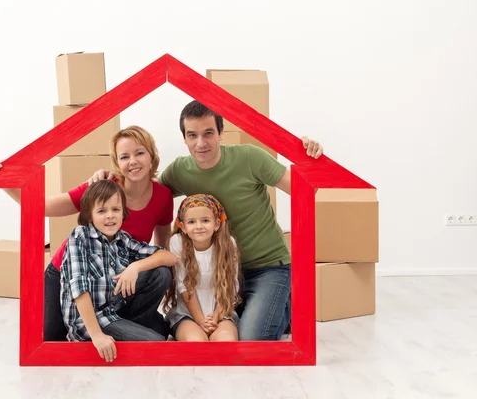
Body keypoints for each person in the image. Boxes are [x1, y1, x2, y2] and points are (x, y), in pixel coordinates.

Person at [87, 101, 324, 341]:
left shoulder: (251, 157)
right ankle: (262, 307)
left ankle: (284, 304)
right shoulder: (180, 170)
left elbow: (305, 190)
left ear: (221, 133)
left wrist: (308, 158)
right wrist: (110, 178)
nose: (201, 143)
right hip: (217, 274)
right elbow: (144, 188)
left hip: (267, 266)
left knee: (252, 340)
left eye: (208, 133)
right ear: (185, 139)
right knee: (219, 328)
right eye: (193, 135)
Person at [0, 125, 175, 341]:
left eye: (140, 153)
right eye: (124, 156)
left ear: (152, 156)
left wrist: (137, 267)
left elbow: (162, 247)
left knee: (161, 274)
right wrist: (6, 183)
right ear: (117, 163)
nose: (133, 161)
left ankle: (125, 324)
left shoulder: (163, 196)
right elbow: (42, 207)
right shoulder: (102, 189)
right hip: (71, 273)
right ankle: (105, 328)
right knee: (52, 338)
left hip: (116, 277)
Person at [61, 179, 177, 362]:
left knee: (161, 272)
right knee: (158, 341)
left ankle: (131, 326)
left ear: (123, 213)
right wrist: (97, 336)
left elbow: (169, 257)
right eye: (101, 211)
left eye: (115, 210)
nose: (110, 216)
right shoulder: (80, 236)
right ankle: (124, 332)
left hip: (113, 308)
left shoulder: (123, 239)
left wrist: (135, 266)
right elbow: (79, 288)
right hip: (89, 321)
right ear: (90, 216)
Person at [163, 194, 241, 342]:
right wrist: (201, 321)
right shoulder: (178, 242)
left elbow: (231, 288)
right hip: (188, 315)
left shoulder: (228, 244)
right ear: (183, 227)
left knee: (226, 341)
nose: (199, 226)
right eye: (192, 222)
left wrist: (215, 318)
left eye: (205, 220)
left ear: (217, 224)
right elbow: (184, 287)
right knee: (196, 342)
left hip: (221, 313)